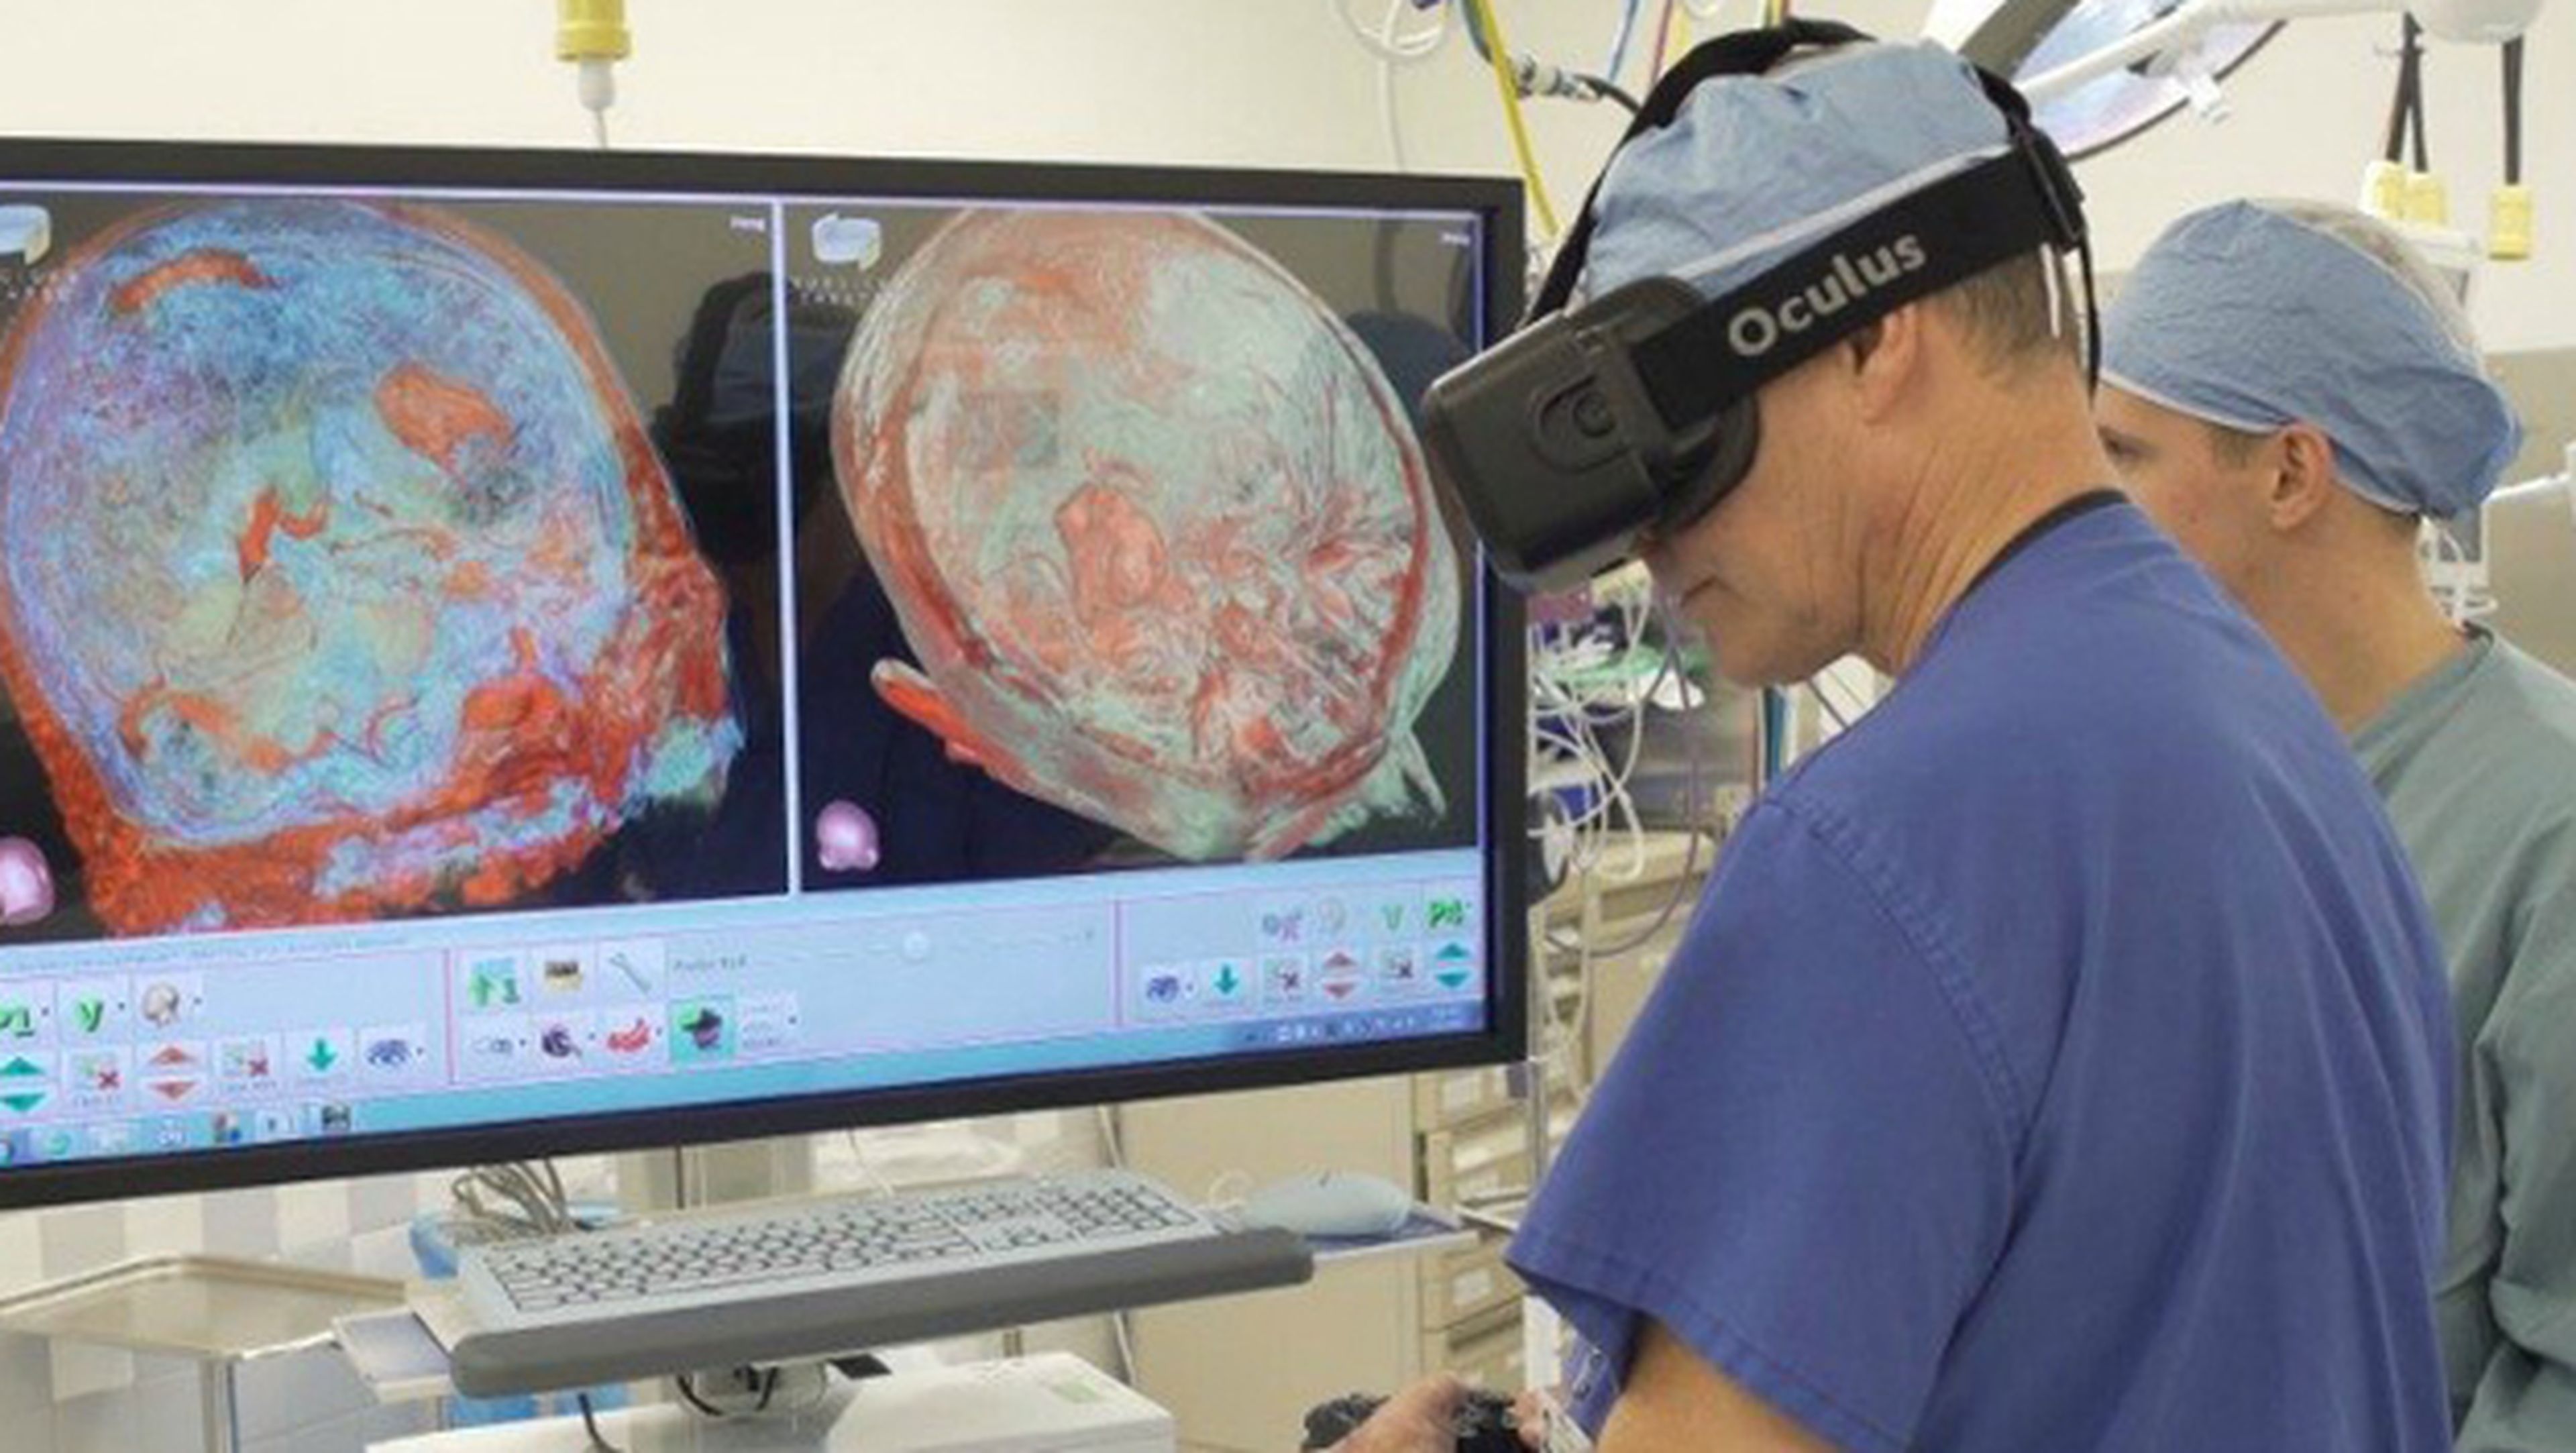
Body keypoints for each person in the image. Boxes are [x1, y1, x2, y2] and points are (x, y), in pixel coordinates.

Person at [1342, 36, 2454, 1452]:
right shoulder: (2270, 732)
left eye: (1681, 447)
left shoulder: (1888, 843)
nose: (1649, 543)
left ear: (1874, 337)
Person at [2096, 199, 2576, 1452]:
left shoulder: (2547, 828)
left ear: (2291, 474)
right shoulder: (2168, 777)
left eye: (2124, 455)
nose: (2082, 508)